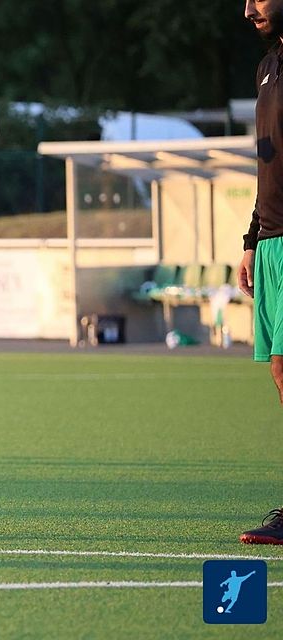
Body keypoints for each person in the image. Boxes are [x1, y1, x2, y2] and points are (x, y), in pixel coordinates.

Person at [240, 0, 283, 544]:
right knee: (280, 373)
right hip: (272, 242)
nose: (248, 8)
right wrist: (252, 238)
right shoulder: (267, 66)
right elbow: (267, 162)